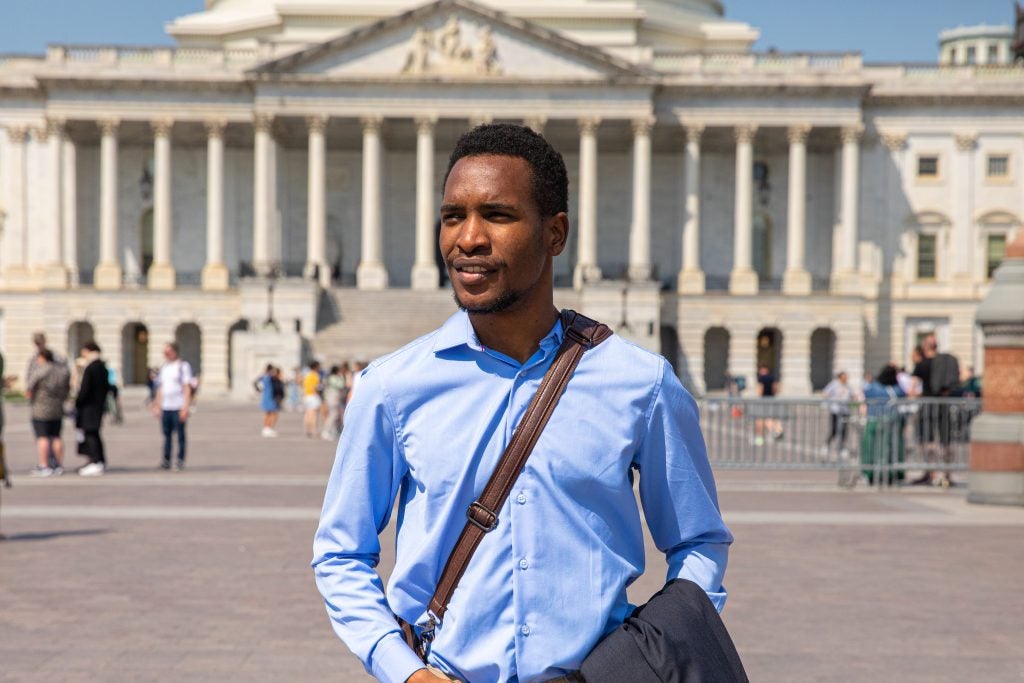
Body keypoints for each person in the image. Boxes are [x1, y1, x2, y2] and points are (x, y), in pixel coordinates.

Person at [313, 124, 733, 683]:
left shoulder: (640, 383)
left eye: (498, 214)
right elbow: (341, 554)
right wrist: (402, 670)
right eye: (452, 216)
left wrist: (643, 661)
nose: (468, 239)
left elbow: (699, 541)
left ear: (555, 233)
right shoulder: (392, 387)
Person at [911, 334, 959, 487]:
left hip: (928, 405)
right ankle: (947, 475)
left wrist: (917, 396)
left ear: (925, 346)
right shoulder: (946, 361)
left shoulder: (922, 364)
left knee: (927, 440)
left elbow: (912, 389)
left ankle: (930, 473)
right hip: (943, 404)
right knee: (946, 441)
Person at [26, 349, 71, 477]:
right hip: (57, 407)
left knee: (42, 437)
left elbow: (30, 386)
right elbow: (68, 388)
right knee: (56, 436)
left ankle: (44, 465)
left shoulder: (41, 370)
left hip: (41, 408)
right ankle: (58, 465)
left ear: (43, 357)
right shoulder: (62, 371)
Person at [860, 364, 907, 485]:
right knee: (890, 448)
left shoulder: (874, 386)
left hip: (874, 419)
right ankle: (891, 473)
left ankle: (871, 473)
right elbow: (903, 393)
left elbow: (866, 393)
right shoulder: (895, 388)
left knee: (872, 448)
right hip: (892, 421)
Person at [152, 342, 193, 471]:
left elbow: (187, 387)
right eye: (164, 353)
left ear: (175, 352)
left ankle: (180, 460)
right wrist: (157, 405)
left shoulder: (183, 366)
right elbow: (160, 387)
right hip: (166, 406)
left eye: (168, 352)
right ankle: (166, 460)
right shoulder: (164, 367)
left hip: (178, 405)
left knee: (180, 435)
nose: (166, 355)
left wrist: (186, 407)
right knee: (166, 435)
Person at [75, 342, 111, 476]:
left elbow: (85, 389)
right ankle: (100, 460)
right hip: (98, 405)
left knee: (90, 435)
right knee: (95, 434)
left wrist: (78, 402)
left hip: (89, 407)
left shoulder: (91, 367)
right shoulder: (102, 366)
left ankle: (95, 461)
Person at [822, 371, 853, 453]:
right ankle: (826, 445)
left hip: (845, 410)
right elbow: (825, 393)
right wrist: (827, 402)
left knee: (844, 430)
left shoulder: (847, 386)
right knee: (834, 430)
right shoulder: (833, 384)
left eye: (846, 377)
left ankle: (842, 447)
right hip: (835, 410)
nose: (846, 379)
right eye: (844, 377)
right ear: (840, 377)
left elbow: (851, 395)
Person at [320, 365, 346, 441]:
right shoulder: (333, 378)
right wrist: (341, 377)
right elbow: (341, 385)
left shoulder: (329, 378)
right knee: (333, 414)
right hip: (333, 398)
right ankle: (326, 431)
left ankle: (334, 431)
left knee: (336, 415)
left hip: (332, 397)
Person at [255, 364, 281, 437]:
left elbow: (256, 382)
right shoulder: (270, 377)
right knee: (272, 413)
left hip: (266, 397)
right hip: (271, 397)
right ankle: (268, 428)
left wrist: (259, 390)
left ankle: (266, 428)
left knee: (268, 413)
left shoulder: (263, 377)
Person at [302, 361, 323, 438]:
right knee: (313, 413)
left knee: (307, 413)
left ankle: (307, 429)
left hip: (306, 395)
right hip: (313, 395)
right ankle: (314, 429)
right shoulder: (315, 375)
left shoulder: (307, 374)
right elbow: (316, 387)